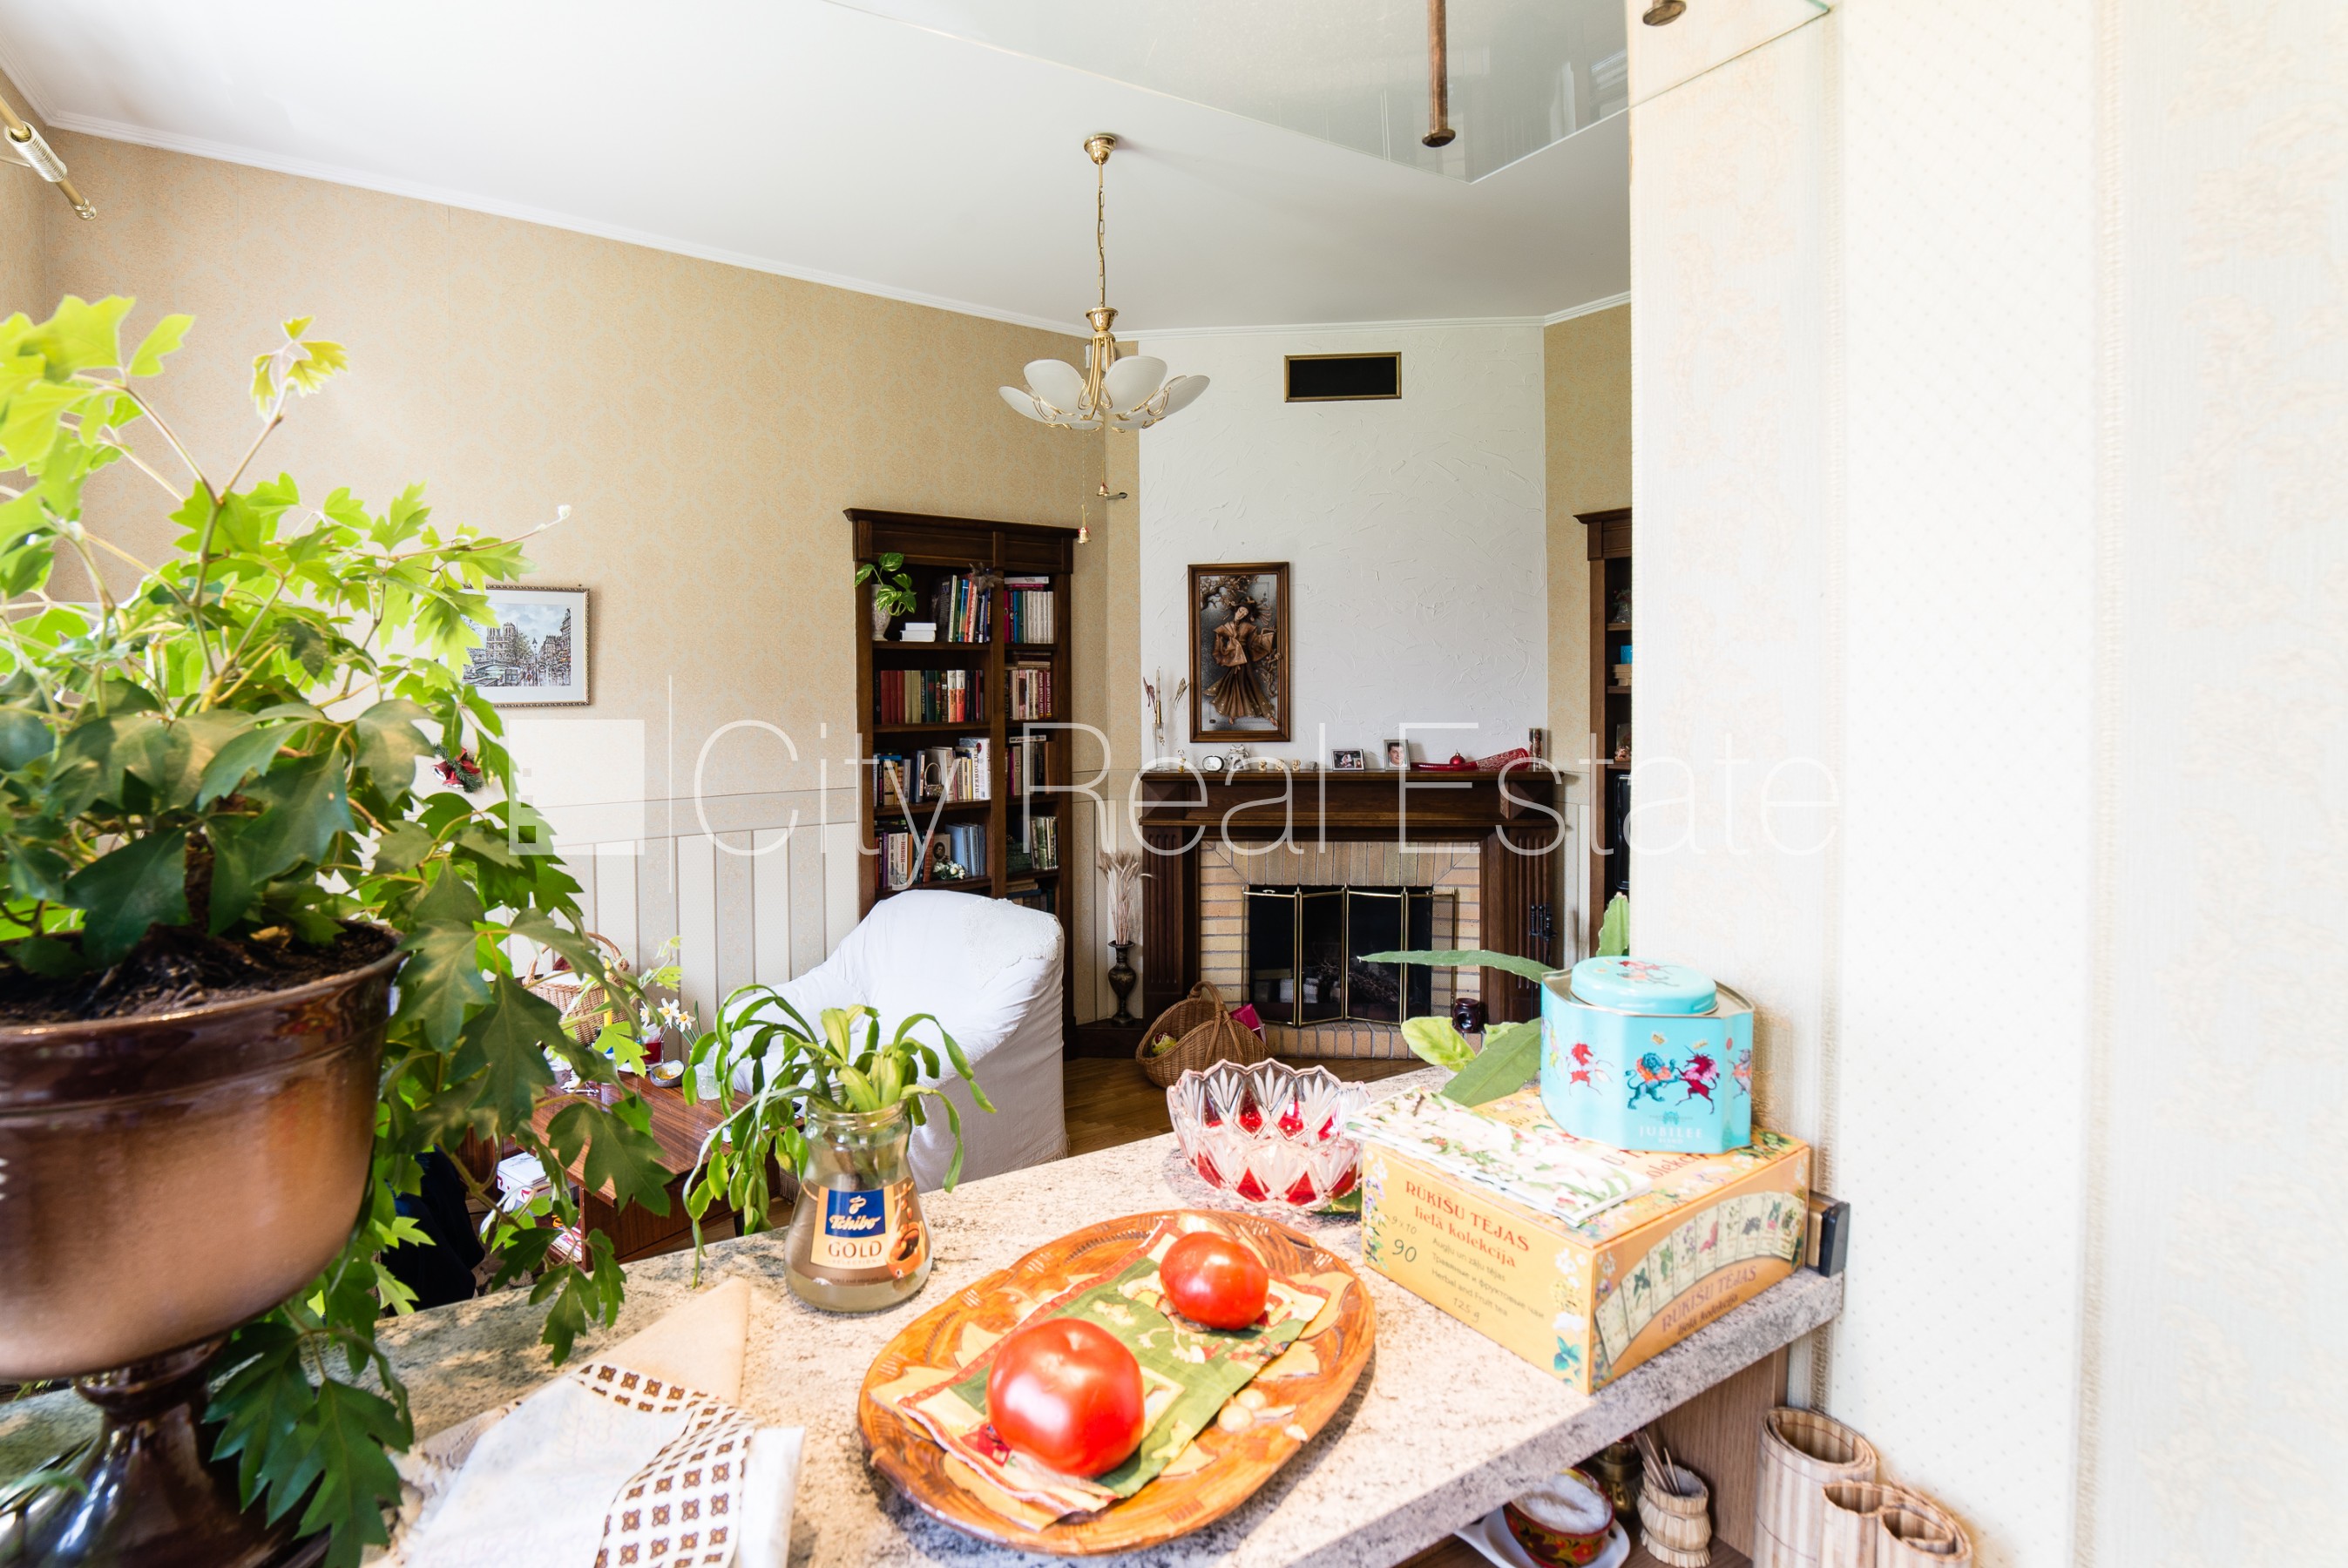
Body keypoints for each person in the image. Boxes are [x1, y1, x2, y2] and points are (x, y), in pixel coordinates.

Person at [1205, 599, 1276, 723]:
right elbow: (1219, 641)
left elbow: (1253, 642)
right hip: (1233, 657)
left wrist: (1266, 635)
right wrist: (1225, 650)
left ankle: (1266, 713)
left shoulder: (1247, 627)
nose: (1242, 614)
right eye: (1241, 610)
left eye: (1245, 613)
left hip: (1244, 658)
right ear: (1237, 609)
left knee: (1248, 682)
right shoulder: (1227, 627)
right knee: (1234, 682)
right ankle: (1234, 712)